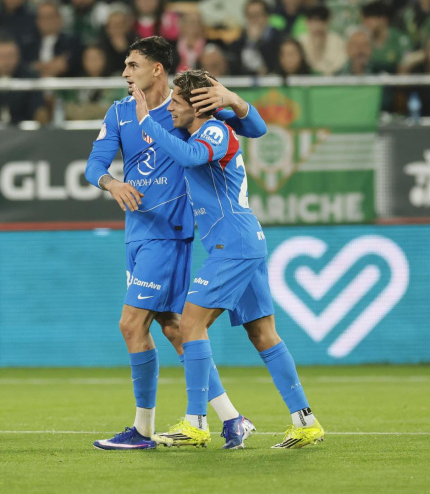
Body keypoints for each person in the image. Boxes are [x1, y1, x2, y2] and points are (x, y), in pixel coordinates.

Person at [84, 36, 266, 451]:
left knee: (131, 325)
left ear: (156, 69)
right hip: (137, 232)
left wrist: (233, 100)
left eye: (132, 65)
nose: (125, 73)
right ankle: (232, 418)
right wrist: (112, 183)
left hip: (168, 234)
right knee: (173, 328)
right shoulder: (118, 113)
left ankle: (142, 430)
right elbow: (93, 166)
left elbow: (254, 128)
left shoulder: (187, 109)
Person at [130, 69, 325, 449]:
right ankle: (306, 421)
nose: (169, 107)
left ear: (197, 105)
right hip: (242, 242)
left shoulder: (214, 132)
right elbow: (253, 126)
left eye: (175, 102)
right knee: (262, 332)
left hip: (232, 244)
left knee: (190, 323)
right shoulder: (198, 129)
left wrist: (144, 122)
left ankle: (196, 421)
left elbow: (190, 157)